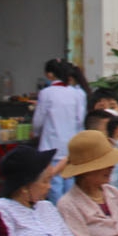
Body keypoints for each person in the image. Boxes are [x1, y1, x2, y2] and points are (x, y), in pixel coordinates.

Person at [32, 61, 88, 203]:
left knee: (53, 185)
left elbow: (38, 120)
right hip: (70, 147)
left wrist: (35, 133)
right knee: (69, 185)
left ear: (50, 75)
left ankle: (58, 217)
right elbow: (80, 120)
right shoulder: (75, 93)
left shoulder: (46, 93)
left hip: (50, 146)